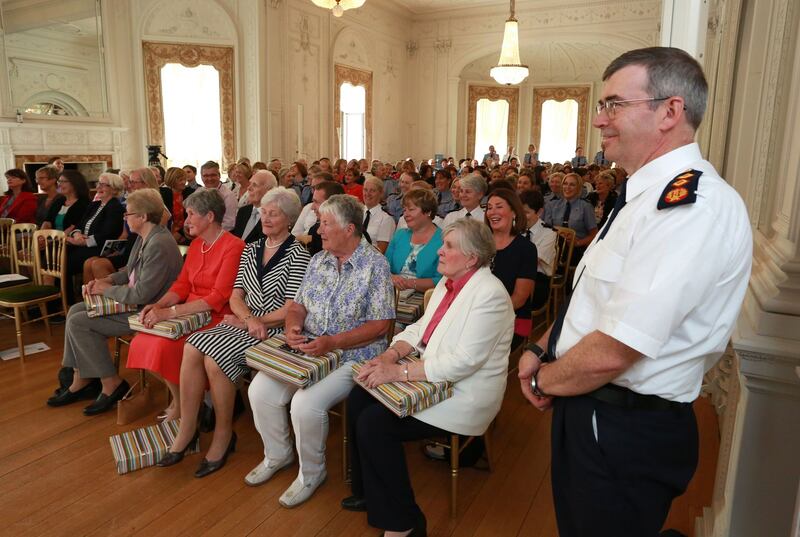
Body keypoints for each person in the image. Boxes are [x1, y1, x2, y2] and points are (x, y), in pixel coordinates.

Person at [517, 46, 752, 537]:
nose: (600, 120)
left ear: (670, 111)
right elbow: (592, 298)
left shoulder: (689, 207)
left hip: (621, 425)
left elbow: (617, 348)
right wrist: (543, 345)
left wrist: (544, 380)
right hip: (594, 409)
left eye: (614, 105)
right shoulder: (642, 196)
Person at [343, 218, 514, 536]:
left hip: (463, 393)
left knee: (376, 424)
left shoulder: (490, 295)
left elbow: (464, 362)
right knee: (359, 395)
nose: (440, 251)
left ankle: (405, 522)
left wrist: (398, 372)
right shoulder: (447, 284)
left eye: (448, 246)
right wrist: (390, 355)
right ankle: (368, 492)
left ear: (472, 258)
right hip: (433, 377)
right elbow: (421, 329)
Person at [246, 194, 395, 507]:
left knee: (305, 404)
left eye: (326, 223)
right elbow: (297, 304)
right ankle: (278, 454)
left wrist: (334, 342)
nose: (319, 229)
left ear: (350, 229)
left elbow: (381, 325)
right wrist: (293, 326)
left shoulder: (375, 266)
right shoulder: (319, 260)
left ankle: (311, 473)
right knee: (259, 390)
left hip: (354, 354)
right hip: (311, 347)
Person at [158, 187, 311, 477]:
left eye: (273, 213)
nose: (265, 218)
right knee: (192, 345)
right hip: (246, 323)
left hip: (274, 331)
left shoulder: (299, 254)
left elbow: (291, 307)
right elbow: (236, 295)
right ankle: (187, 428)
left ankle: (223, 435)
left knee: (214, 359)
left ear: (289, 218)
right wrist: (248, 319)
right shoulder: (252, 248)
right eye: (263, 212)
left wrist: (256, 322)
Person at [46, 189, 183, 414]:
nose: (125, 218)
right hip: (138, 303)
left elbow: (141, 294)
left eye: (128, 214)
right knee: (76, 311)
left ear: (143, 216)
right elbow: (130, 271)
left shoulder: (159, 243)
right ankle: (81, 376)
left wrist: (106, 289)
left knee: (80, 322)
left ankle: (110, 383)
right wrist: (107, 279)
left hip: (148, 311)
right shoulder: (146, 236)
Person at [126, 189, 245, 418]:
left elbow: (218, 297)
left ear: (209, 217)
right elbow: (181, 285)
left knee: (162, 346)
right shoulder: (197, 245)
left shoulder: (234, 246)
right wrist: (158, 306)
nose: (186, 221)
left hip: (217, 317)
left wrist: (171, 312)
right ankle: (185, 401)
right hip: (189, 314)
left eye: (191, 214)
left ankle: (188, 405)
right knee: (142, 341)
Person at [485, 188, 537, 348]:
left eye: (499, 206)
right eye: (489, 207)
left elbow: (520, 298)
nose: (492, 212)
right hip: (477, 312)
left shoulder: (526, 249)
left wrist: (485, 314)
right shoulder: (480, 244)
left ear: (514, 212)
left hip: (512, 318)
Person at [65, 173, 125, 301]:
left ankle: (70, 300)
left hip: (98, 247)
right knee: (58, 255)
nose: (99, 187)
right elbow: (79, 225)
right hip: (81, 244)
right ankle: (63, 299)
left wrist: (83, 242)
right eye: (99, 183)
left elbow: (108, 234)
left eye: (104, 185)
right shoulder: (94, 205)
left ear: (114, 189)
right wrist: (76, 234)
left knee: (65, 261)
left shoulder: (115, 207)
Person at [385, 189, 443, 297]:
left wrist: (409, 283)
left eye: (411, 209)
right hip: (393, 292)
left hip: (426, 297)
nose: (405, 214)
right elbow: (383, 266)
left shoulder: (444, 240)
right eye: (404, 210)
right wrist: (392, 277)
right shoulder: (399, 235)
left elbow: (441, 280)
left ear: (428, 212)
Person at [544, 173, 598, 262]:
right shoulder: (553, 204)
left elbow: (594, 234)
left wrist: (578, 243)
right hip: (554, 247)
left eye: (572, 185)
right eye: (565, 184)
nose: (567, 187)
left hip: (576, 250)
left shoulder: (586, 206)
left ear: (578, 188)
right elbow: (546, 228)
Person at [520, 190, 557, 310]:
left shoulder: (549, 233)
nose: (521, 217)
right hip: (516, 274)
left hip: (538, 280)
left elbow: (532, 262)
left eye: (526, 213)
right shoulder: (516, 228)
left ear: (540, 212)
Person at [232, 170, 277, 244]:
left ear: (269, 190)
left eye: (255, 185)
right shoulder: (243, 211)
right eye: (250, 184)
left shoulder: (274, 217)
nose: (249, 188)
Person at [306, 181, 345, 255]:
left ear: (332, 205)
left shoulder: (355, 233)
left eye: (316, 202)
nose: (312, 207)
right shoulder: (315, 231)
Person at [199, 161, 238, 231]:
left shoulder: (228, 195)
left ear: (219, 176)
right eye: (206, 176)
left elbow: (229, 224)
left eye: (213, 175)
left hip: (219, 236)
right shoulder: (198, 192)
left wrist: (206, 231)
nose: (209, 179)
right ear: (201, 177)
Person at [362, 176, 396, 253]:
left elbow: (381, 252)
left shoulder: (386, 219)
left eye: (372, 191)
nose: (367, 194)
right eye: (365, 190)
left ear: (381, 193)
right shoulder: (356, 212)